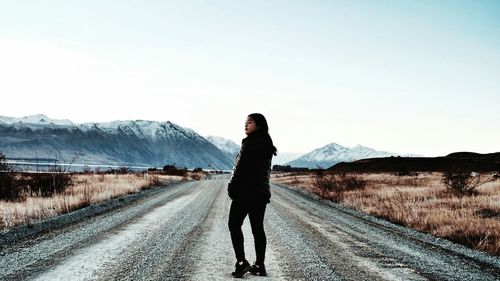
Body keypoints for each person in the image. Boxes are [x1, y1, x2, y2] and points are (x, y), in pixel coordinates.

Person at [227, 113, 277, 278]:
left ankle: (242, 263)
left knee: (234, 225)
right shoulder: (268, 145)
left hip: (245, 192)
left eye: (250, 122)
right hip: (260, 194)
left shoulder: (250, 143)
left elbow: (241, 168)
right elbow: (264, 173)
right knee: (258, 229)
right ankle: (259, 265)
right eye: (245, 122)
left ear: (259, 125)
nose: (246, 125)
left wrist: (232, 188)